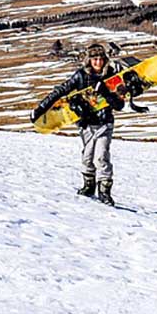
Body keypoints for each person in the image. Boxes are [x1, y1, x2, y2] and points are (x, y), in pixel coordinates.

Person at [30, 43, 128, 206]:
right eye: (94, 59)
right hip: (86, 124)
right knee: (87, 157)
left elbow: (119, 105)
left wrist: (104, 91)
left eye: (101, 59)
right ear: (89, 60)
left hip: (105, 123)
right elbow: (60, 91)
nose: (98, 62)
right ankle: (89, 187)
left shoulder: (112, 76)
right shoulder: (80, 76)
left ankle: (104, 193)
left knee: (101, 156)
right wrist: (41, 108)